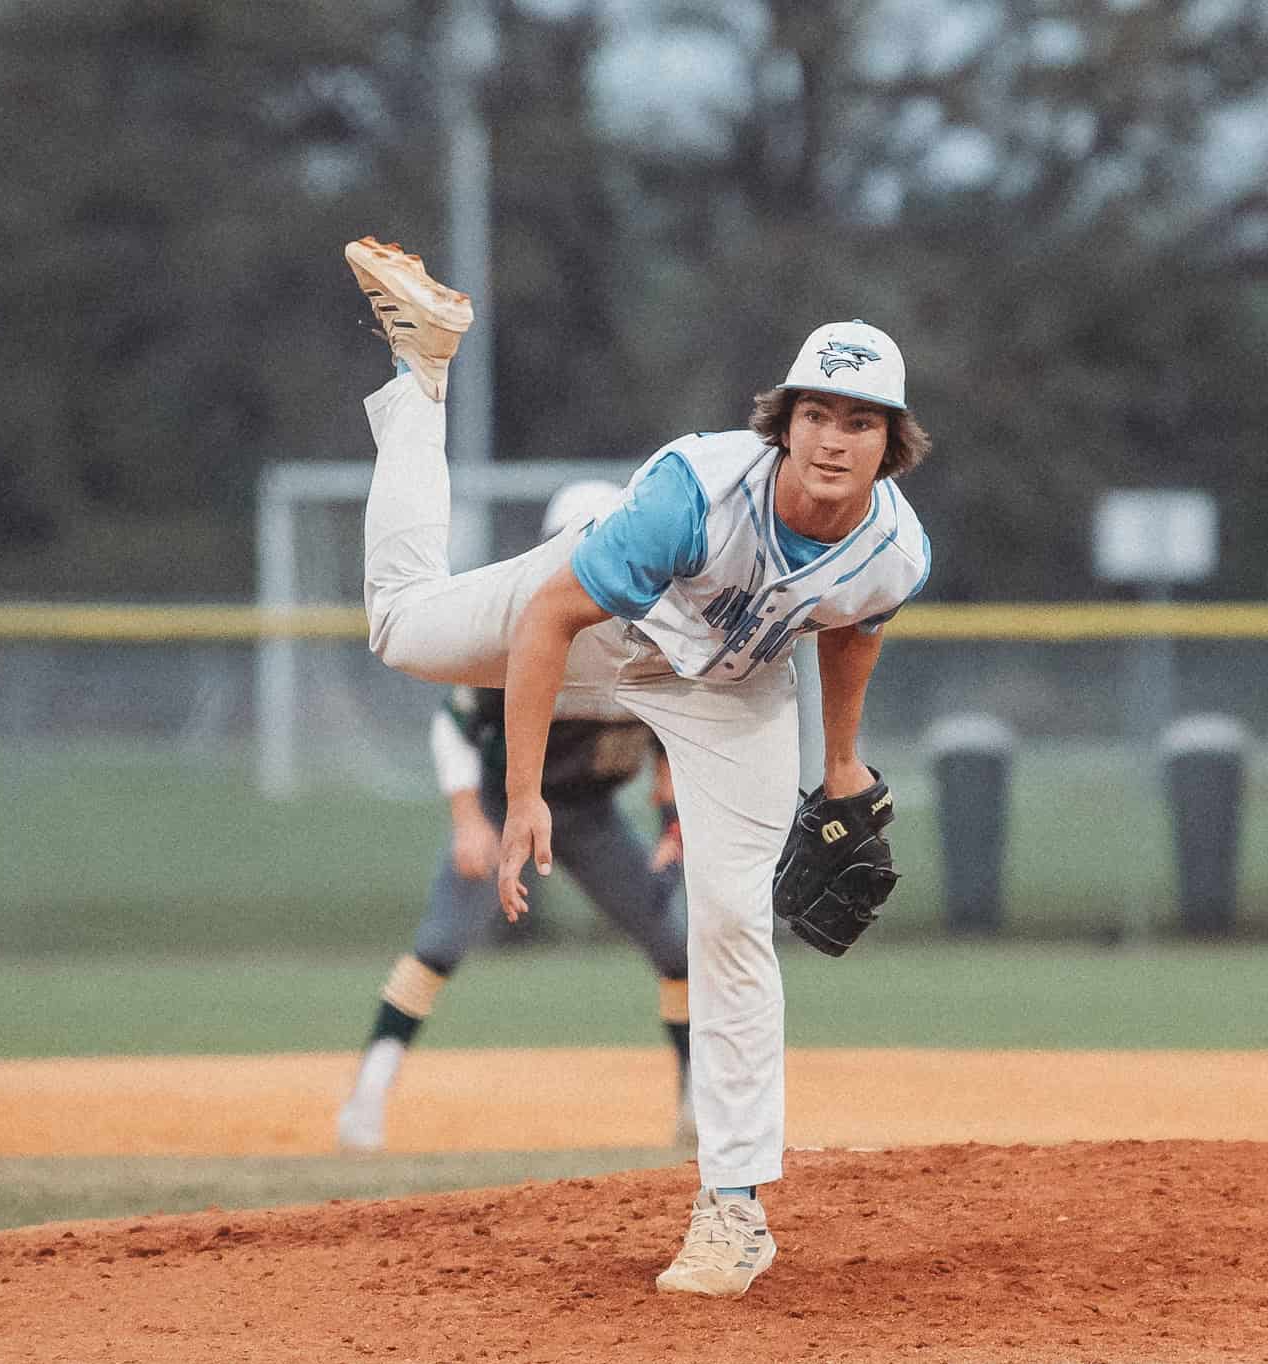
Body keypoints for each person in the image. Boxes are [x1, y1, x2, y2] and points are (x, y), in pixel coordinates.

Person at [345, 237, 932, 1296]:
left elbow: (852, 629)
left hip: (730, 691)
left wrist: (840, 762)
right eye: (816, 413)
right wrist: (520, 794)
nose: (834, 439)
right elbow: (549, 618)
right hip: (600, 633)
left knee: (730, 919)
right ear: (783, 421)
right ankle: (420, 370)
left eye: (861, 421)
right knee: (396, 629)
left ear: (890, 442)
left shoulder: (894, 546)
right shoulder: (692, 492)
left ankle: (733, 1206)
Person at [335, 480, 695, 1154]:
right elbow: (454, 729)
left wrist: (674, 823)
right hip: (506, 807)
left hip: (585, 814)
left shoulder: (656, 642)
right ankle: (369, 1092)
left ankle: (696, 1102)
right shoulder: (527, 634)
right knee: (441, 943)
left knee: (677, 948)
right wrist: (470, 819)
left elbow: (668, 746)